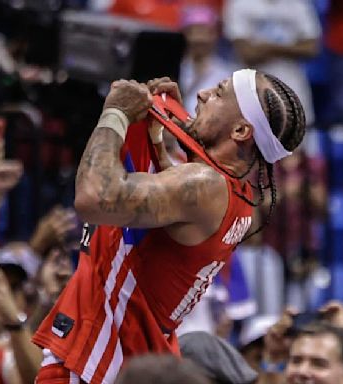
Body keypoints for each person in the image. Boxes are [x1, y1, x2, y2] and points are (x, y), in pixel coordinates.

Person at [33, 69, 306, 384]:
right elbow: (168, 208)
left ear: (241, 130)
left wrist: (116, 114)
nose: (202, 94)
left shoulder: (205, 187)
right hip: (129, 356)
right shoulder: (239, 198)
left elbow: (94, 198)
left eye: (219, 93)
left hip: (98, 360)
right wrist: (166, 130)